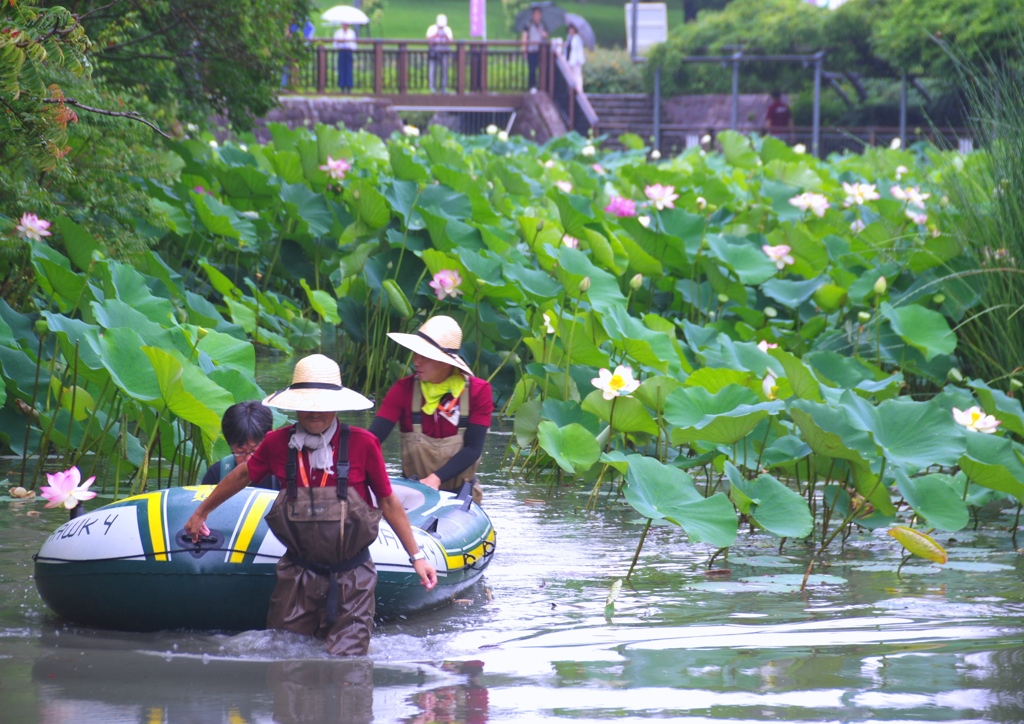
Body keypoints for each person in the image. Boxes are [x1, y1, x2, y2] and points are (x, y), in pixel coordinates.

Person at [184, 354, 437, 656]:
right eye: (308, 404)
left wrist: (416, 556)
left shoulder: (363, 443)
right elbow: (241, 475)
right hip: (296, 574)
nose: (315, 413)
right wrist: (201, 512)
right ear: (294, 405)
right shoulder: (277, 443)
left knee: (348, 668)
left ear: (337, 405)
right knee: (285, 661)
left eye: (322, 405)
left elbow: (388, 501)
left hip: (352, 577)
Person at [368, 316, 493, 505]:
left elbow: (473, 449)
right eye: (415, 354)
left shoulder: (479, 391)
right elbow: (373, 439)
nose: (416, 361)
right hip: (413, 491)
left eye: (424, 357)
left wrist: (436, 478)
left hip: (460, 494)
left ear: (445, 362)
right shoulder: (403, 389)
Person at [200, 401, 279, 488]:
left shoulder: (285, 474)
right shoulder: (217, 474)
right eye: (240, 452)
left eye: (254, 451)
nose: (248, 459)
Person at [521, 6, 548, 92]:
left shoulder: (542, 25)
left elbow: (545, 35)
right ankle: (532, 86)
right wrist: (524, 50)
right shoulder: (528, 24)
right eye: (535, 14)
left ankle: (541, 86)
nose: (537, 16)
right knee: (532, 69)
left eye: (538, 14)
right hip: (531, 50)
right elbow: (524, 37)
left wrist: (542, 32)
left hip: (540, 50)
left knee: (541, 69)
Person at [426, 14, 454, 94]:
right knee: (432, 69)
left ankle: (443, 87)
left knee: (444, 70)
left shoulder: (448, 29)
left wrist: (445, 34)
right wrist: (436, 34)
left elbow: (450, 40)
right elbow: (428, 39)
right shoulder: (432, 28)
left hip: (444, 52)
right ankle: (432, 87)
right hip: (434, 52)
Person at [334, 22, 357, 93]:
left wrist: (348, 42)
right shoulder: (338, 33)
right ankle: (342, 86)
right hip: (341, 51)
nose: (345, 26)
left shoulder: (352, 33)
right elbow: (335, 43)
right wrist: (340, 42)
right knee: (341, 69)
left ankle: (349, 86)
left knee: (349, 69)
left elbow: (354, 44)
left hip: (349, 52)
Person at [563, 23, 585, 92]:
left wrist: (578, 61)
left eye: (572, 29)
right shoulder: (569, 38)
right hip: (569, 60)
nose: (571, 31)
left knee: (577, 76)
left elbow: (578, 51)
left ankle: (579, 90)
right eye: (570, 29)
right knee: (571, 76)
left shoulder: (577, 39)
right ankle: (572, 90)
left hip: (576, 61)